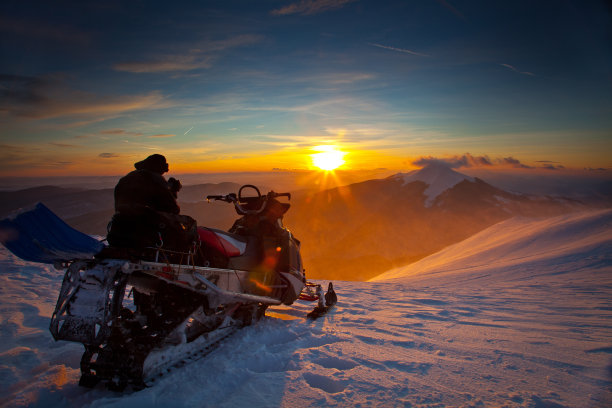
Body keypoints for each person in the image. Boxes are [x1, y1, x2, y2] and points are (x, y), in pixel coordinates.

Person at [107, 154, 196, 252]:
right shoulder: (155, 178)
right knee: (189, 222)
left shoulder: (126, 178)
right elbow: (173, 210)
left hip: (118, 228)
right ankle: (183, 256)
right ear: (159, 167)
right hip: (144, 228)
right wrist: (172, 191)